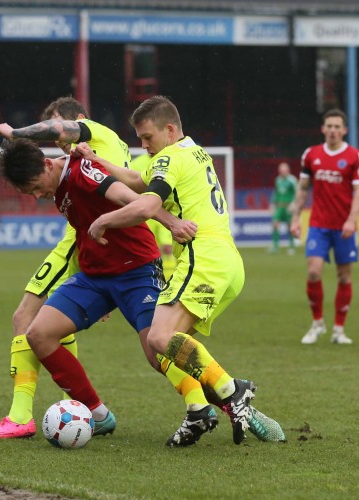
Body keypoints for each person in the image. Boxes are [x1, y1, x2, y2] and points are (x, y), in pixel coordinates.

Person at [0, 137, 239, 447]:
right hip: (95, 278)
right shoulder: (58, 185)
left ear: (46, 164)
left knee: (157, 349)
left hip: (137, 270)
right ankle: (97, 415)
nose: (37, 195)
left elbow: (127, 197)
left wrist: (171, 221)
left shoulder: (82, 170)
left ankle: (208, 406)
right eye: (29, 193)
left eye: (35, 186)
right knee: (38, 333)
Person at [81, 96, 263, 445]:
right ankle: (198, 413)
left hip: (202, 255)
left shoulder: (169, 157)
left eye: (147, 137)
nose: (143, 144)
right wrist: (97, 160)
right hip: (228, 261)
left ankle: (233, 390)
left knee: (159, 338)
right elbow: (137, 178)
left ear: (169, 129)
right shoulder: (193, 152)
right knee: (174, 346)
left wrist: (104, 220)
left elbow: (147, 203)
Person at [0, 97, 133, 440]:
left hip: (78, 243)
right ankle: (77, 405)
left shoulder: (94, 135)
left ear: (78, 120)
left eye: (62, 131)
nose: (59, 141)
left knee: (25, 317)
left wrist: (15, 132)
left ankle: (22, 415)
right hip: (95, 244)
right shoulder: (98, 151)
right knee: (55, 321)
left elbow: (59, 131)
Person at [289, 109, 359, 345]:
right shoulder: (311, 154)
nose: (333, 130)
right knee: (313, 271)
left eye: (337, 127)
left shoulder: (355, 156)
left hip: (343, 226)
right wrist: (295, 218)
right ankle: (317, 323)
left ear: (344, 130)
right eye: (329, 126)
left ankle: (339, 330)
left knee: (344, 277)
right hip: (318, 225)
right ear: (323, 129)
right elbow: (303, 188)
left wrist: (352, 219)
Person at [130, 153, 177, 279]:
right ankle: (149, 279)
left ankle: (169, 279)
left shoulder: (172, 161)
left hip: (165, 211)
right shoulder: (136, 163)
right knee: (145, 251)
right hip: (143, 213)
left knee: (168, 249)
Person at [269, 161, 297, 255]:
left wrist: (293, 204)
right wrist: (272, 204)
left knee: (290, 226)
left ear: (288, 170)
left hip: (288, 207)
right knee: (275, 224)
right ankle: (275, 246)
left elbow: (297, 193)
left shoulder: (292, 180)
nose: (282, 172)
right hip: (280, 206)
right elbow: (276, 193)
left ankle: (291, 246)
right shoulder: (278, 180)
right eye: (281, 170)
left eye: (284, 170)